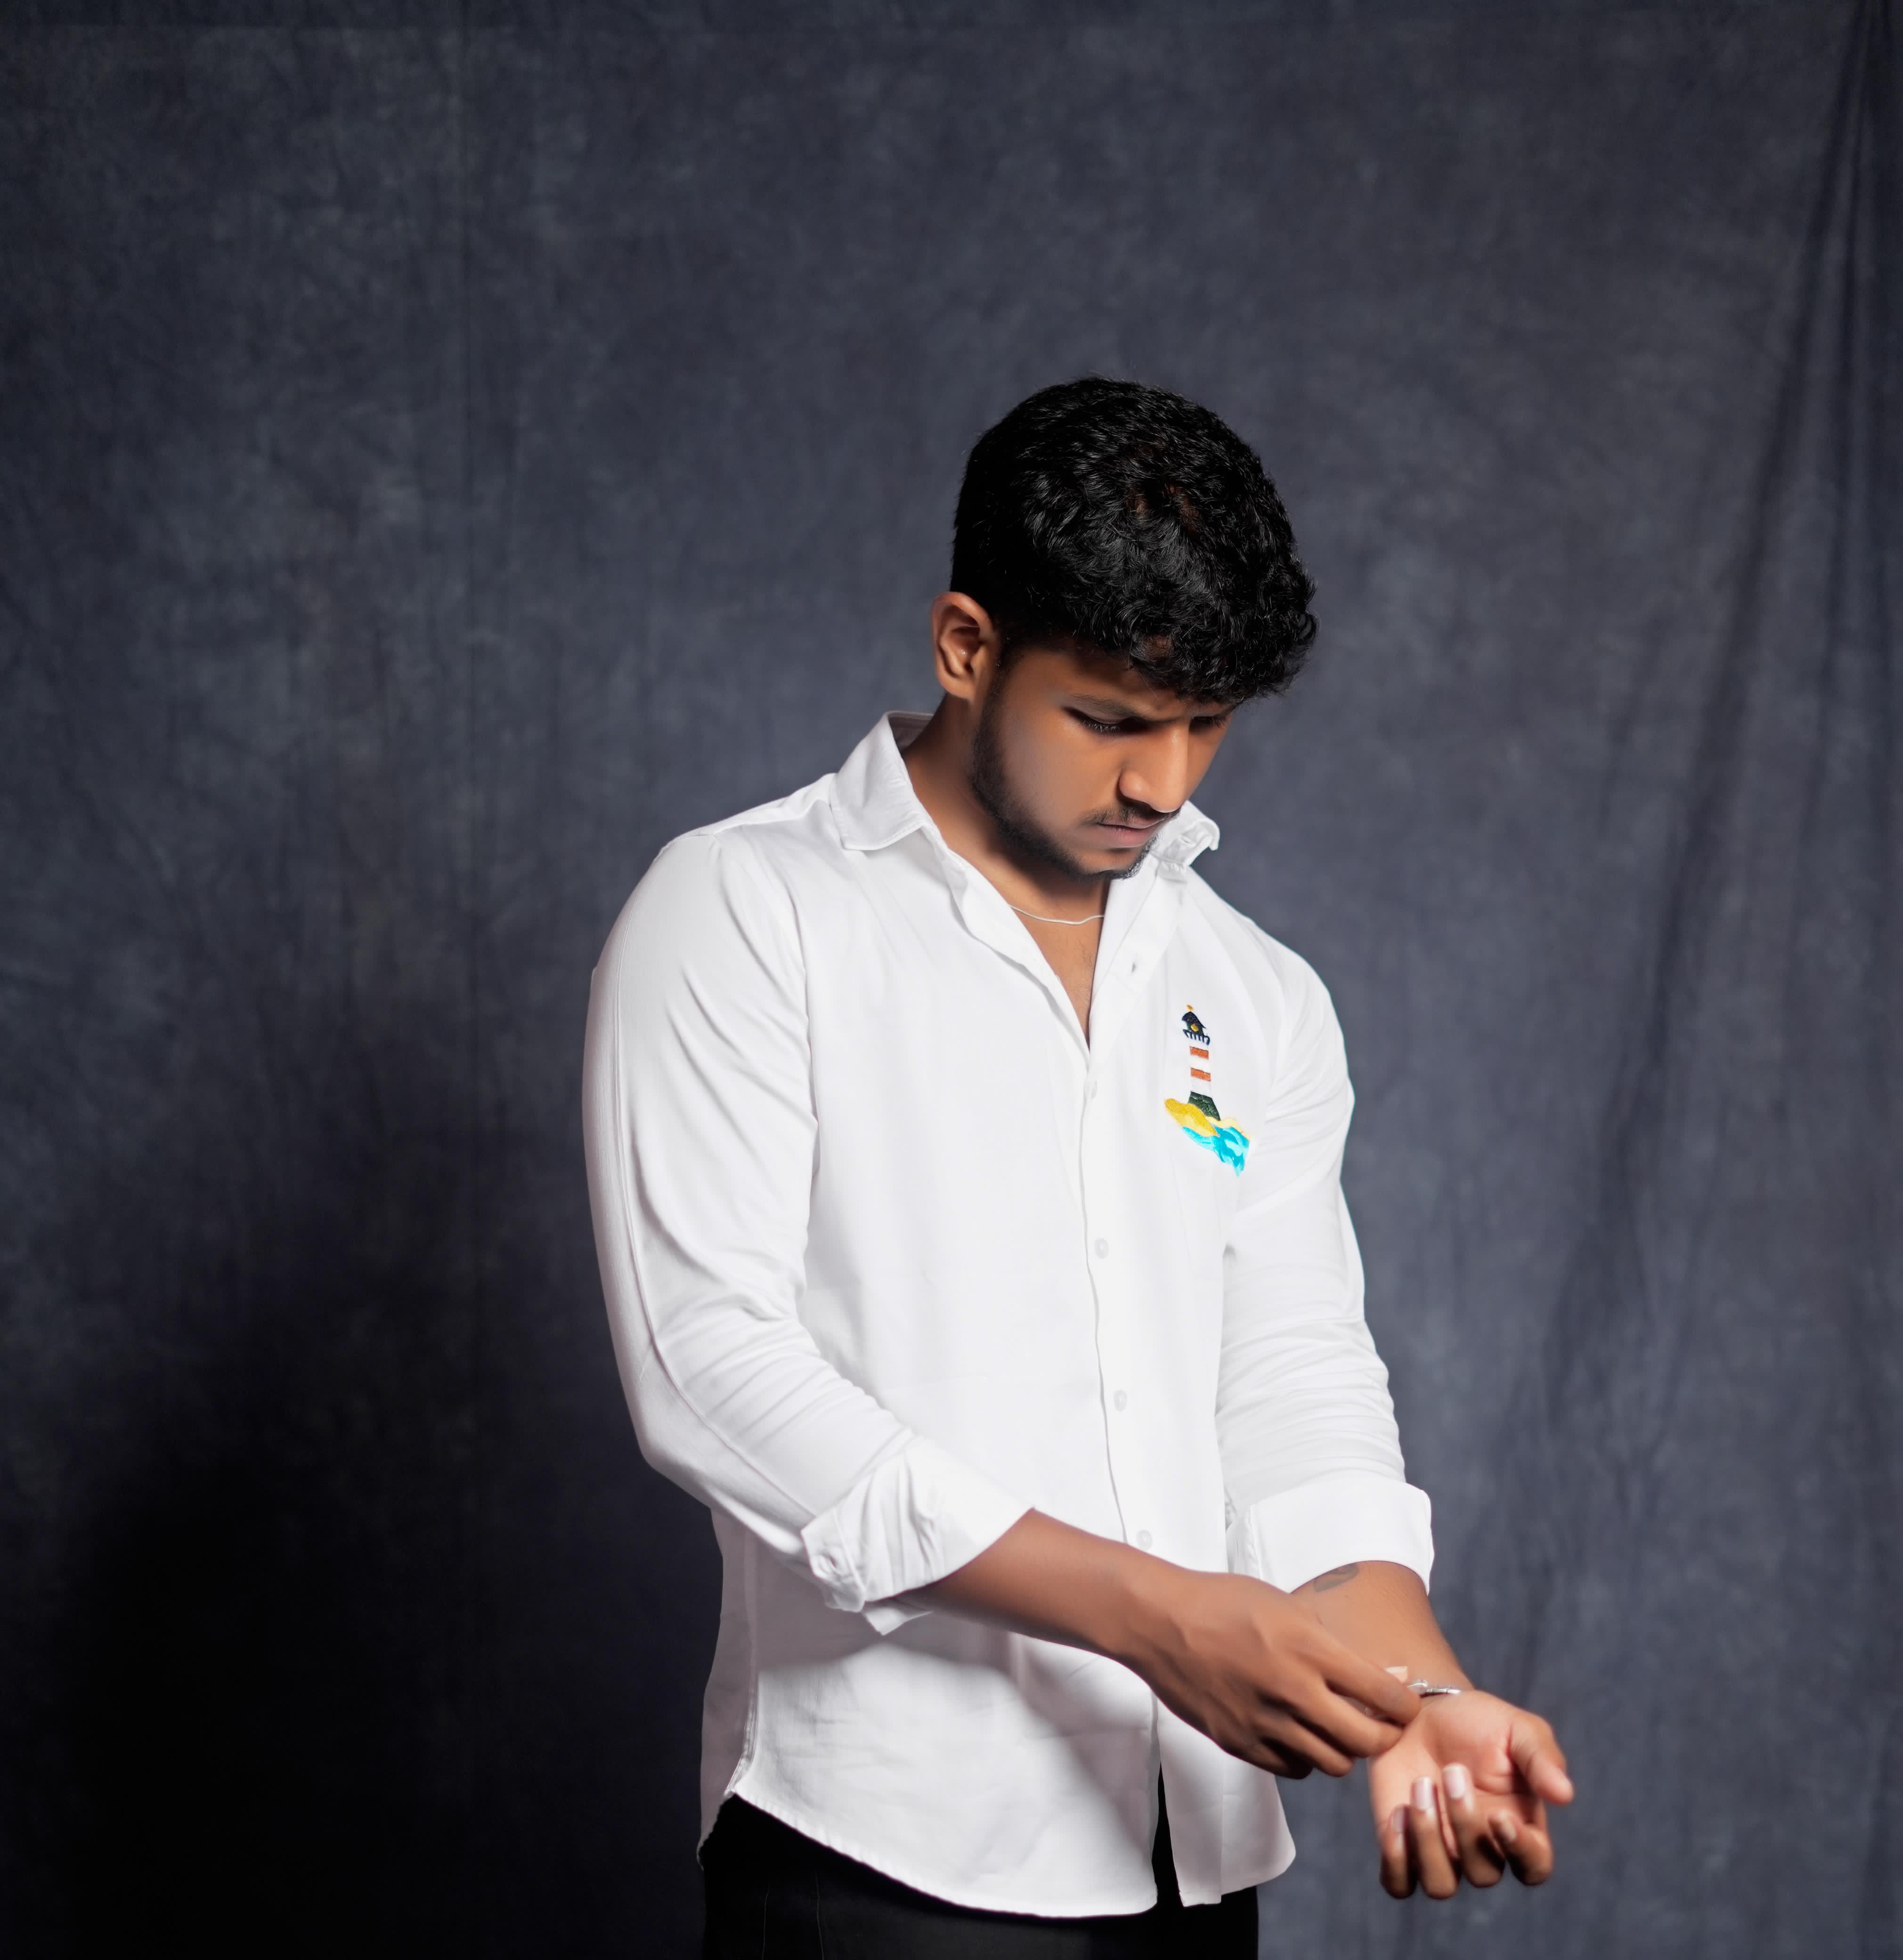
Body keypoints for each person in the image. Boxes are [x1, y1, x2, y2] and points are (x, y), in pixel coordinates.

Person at [583, 378, 1572, 1957]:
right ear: (966, 647)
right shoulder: (749, 912)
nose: (1163, 783)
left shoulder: (1256, 991)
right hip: (889, 1860)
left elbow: (1293, 1379)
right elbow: (712, 1371)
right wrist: (1155, 1614)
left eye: (1206, 725)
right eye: (1111, 717)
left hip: (1192, 1858)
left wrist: (1414, 1695)